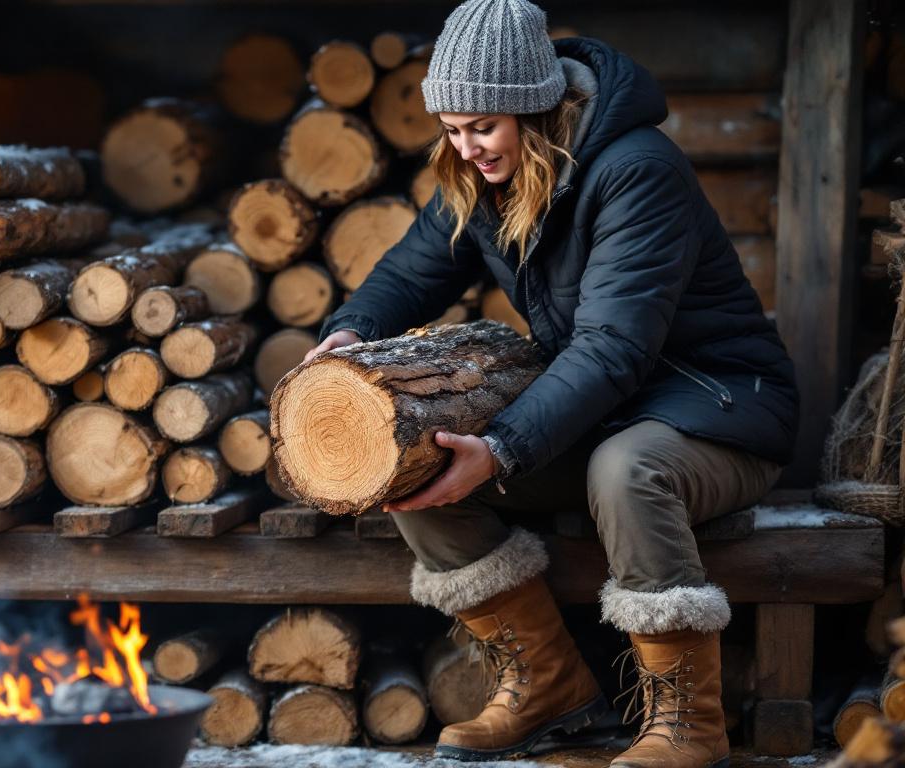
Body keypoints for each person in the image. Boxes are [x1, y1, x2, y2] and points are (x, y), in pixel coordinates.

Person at [302, 0, 798, 765]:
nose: (466, 147)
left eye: (483, 127)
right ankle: (546, 684)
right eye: (451, 129)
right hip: (604, 414)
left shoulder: (637, 171)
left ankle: (691, 725)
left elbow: (613, 348)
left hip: (718, 410)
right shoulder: (481, 175)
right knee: (418, 464)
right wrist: (348, 332)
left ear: (536, 109)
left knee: (627, 469)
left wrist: (502, 447)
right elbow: (412, 272)